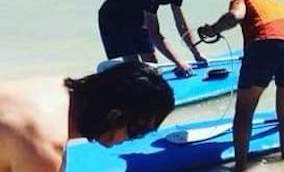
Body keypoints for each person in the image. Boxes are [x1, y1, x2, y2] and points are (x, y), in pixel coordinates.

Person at [198, 0, 284, 171]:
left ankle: (240, 168)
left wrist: (213, 29)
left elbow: (235, 16)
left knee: (244, 112)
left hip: (264, 44)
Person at [0, 63, 174, 171]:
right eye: (137, 131)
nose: (131, 140)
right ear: (115, 116)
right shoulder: (44, 145)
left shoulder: (54, 88)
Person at [98, 0, 206, 76]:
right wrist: (178, 62)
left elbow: (182, 25)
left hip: (136, 14)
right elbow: (154, 34)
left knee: (151, 60)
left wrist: (197, 53)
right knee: (133, 66)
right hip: (112, 18)